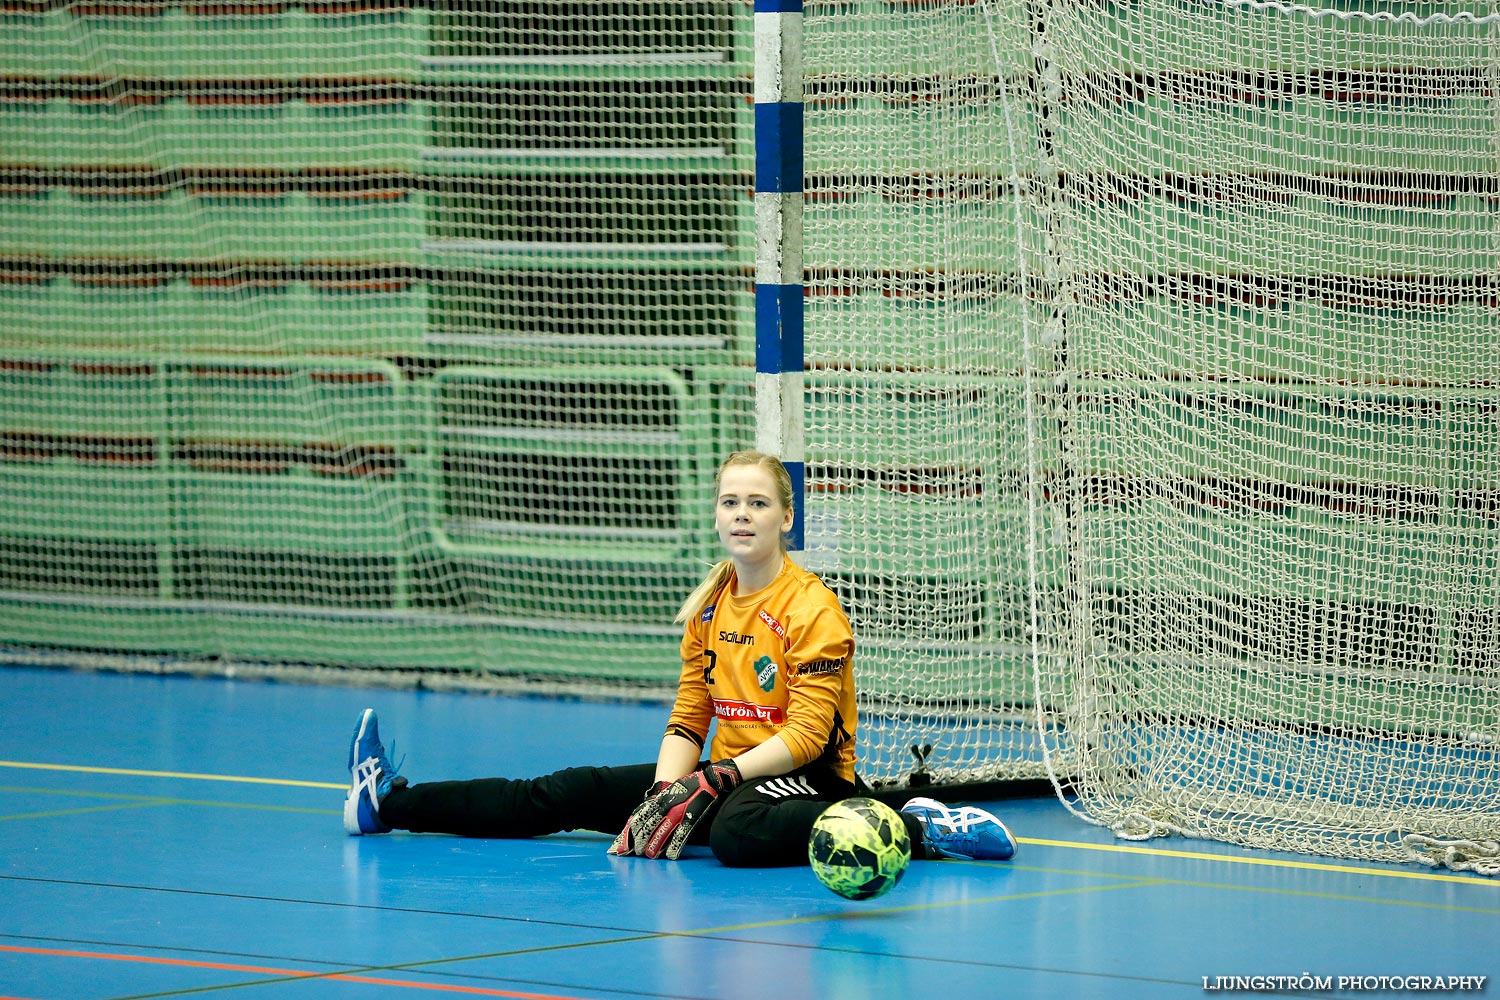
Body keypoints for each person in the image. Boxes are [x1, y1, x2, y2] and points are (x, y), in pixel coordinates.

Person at [343, 450, 1016, 867]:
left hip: (809, 780)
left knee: (737, 835)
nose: (742, 514)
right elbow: (691, 716)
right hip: (727, 776)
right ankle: (388, 805)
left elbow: (810, 737)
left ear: (787, 517)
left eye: (758, 503)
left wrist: (712, 784)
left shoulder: (814, 607)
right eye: (731, 503)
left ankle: (912, 820)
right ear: (717, 517)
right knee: (569, 790)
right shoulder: (709, 606)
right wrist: (668, 793)